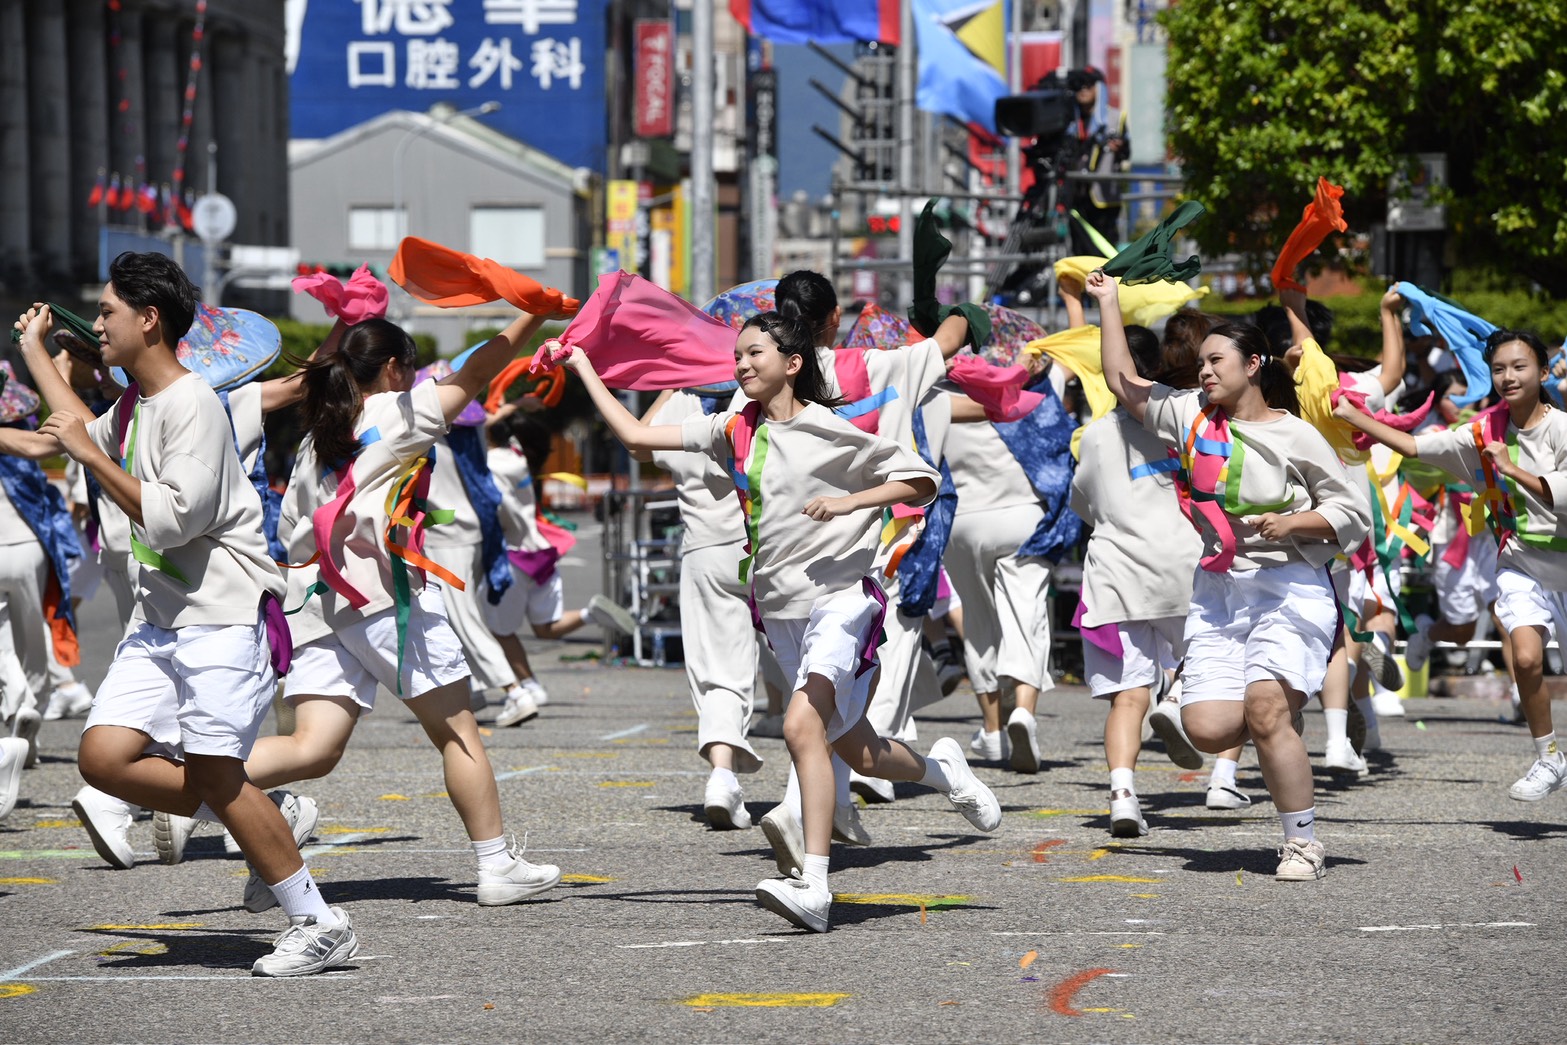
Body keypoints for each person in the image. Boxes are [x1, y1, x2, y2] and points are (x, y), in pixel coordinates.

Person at [561, 310, 1001, 932]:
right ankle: (943, 771)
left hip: (842, 601)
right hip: (780, 613)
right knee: (864, 753)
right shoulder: (731, 428)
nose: (741, 365)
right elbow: (636, 437)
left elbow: (921, 481)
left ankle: (814, 888)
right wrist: (581, 364)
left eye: (754, 354)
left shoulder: (826, 427)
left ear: (793, 363)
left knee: (801, 728)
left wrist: (851, 499)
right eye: (737, 356)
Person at [12, 251, 355, 976]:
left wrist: (86, 450)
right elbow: (74, 426)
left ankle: (316, 919)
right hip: (161, 622)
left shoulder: (195, 403)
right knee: (103, 757)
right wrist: (34, 353)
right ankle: (261, 813)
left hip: (223, 619)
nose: (97, 324)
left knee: (217, 774)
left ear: (149, 319)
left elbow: (170, 518)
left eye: (107, 312)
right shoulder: (137, 404)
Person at [245, 313, 568, 911]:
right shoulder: (399, 413)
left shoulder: (318, 434)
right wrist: (531, 314)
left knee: (311, 750)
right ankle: (496, 864)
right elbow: (478, 369)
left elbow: (287, 529)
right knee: (457, 732)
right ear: (394, 368)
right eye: (411, 368)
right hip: (385, 597)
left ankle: (195, 785)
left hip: (313, 601)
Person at [1087, 269, 1370, 881]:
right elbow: (1121, 380)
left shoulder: (1295, 435)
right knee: (1209, 728)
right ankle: (1283, 719)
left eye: (1218, 361)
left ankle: (1301, 843)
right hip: (1216, 592)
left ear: (1254, 364)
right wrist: (1107, 302)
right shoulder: (1188, 414)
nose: (1206, 372)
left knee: (1264, 709)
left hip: (1289, 588)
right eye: (1203, 364)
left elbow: (1353, 515)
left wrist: (1292, 524)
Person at [1335, 329, 1567, 802]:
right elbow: (1416, 448)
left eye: (1520, 367)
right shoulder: (1482, 431)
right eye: (1499, 368)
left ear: (1544, 374)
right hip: (1521, 562)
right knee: (1524, 656)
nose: (1508, 377)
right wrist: (1356, 416)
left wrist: (1510, 468)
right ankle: (1549, 757)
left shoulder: (1562, 428)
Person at [1069, 323, 1204, 834]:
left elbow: (1083, 503)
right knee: (1207, 657)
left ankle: (1123, 795)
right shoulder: (1183, 421)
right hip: (1181, 566)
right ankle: (1176, 699)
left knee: (1127, 697)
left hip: (1117, 575)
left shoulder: (1096, 434)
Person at [481, 405, 637, 728]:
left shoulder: (490, 463)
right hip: (540, 552)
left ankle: (529, 686)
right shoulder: (517, 457)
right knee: (544, 628)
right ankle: (590, 614)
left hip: (512, 556)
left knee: (499, 631)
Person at [1058, 67, 1129, 254]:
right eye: (1078, 86)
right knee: (1078, 251)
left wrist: (1119, 148)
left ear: (1099, 88)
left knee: (1103, 252)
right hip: (1076, 196)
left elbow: (1126, 152)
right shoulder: (1069, 119)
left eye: (1088, 85)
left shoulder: (1115, 117)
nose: (1083, 90)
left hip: (1103, 198)